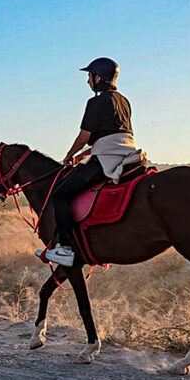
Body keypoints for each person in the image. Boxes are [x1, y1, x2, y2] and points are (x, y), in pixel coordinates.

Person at [41, 58, 145, 267]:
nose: (88, 82)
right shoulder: (125, 101)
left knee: (60, 195)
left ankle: (65, 249)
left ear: (99, 77)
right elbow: (116, 135)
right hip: (127, 154)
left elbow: (83, 136)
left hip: (105, 159)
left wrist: (69, 155)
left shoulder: (95, 102)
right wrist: (88, 152)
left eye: (89, 77)